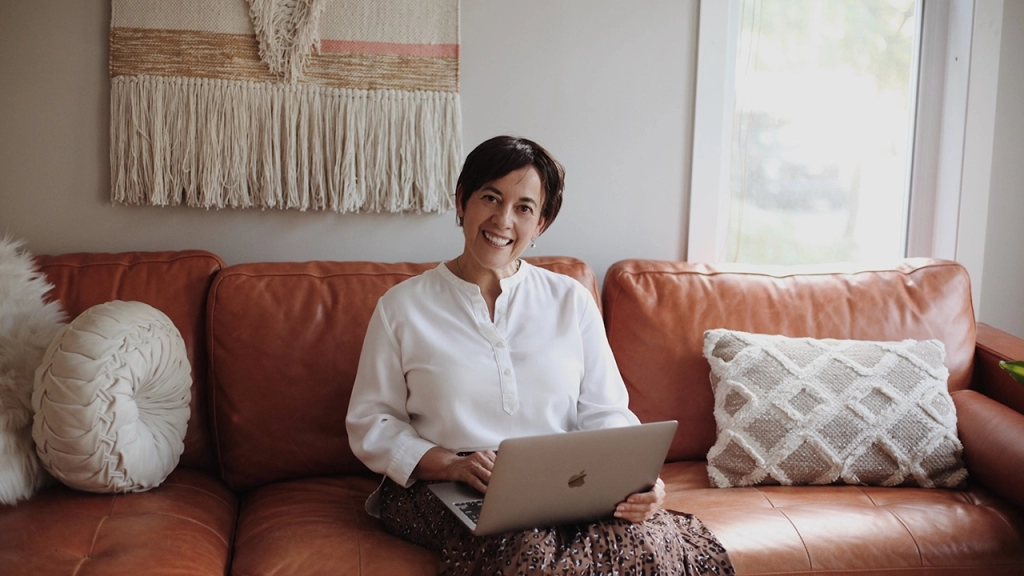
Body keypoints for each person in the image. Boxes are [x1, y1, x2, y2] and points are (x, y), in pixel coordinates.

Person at [346, 135, 734, 575]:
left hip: (564, 484)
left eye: (524, 208)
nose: (503, 220)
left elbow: (605, 411)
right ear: (461, 202)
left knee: (645, 542)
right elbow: (371, 422)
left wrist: (637, 483)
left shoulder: (570, 299)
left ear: (542, 223)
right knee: (531, 549)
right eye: (490, 198)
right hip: (443, 485)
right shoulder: (402, 307)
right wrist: (450, 464)